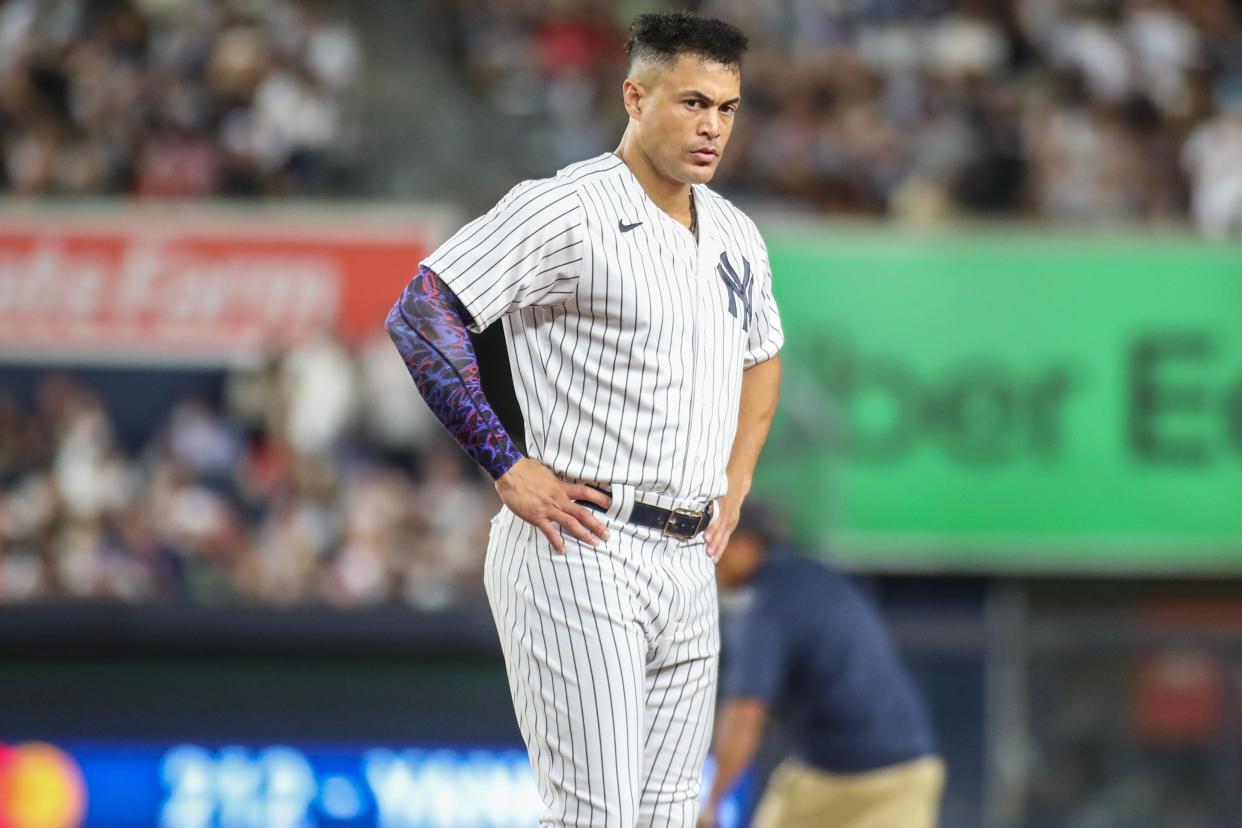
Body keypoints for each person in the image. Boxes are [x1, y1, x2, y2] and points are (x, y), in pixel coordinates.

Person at [385, 11, 783, 826]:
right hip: (582, 543)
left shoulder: (736, 233)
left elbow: (764, 355)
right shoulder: (568, 210)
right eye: (692, 102)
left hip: (687, 557)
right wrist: (506, 463)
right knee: (593, 818)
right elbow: (424, 312)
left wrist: (736, 482)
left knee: (670, 818)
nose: (712, 126)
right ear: (634, 97)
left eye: (727, 108)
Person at [700, 503, 944, 828]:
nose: (707, 557)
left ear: (744, 543)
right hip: (840, 770)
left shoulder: (767, 602)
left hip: (888, 779)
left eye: (713, 541)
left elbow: (746, 712)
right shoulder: (811, 575)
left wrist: (712, 803)